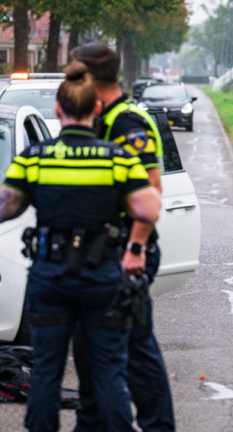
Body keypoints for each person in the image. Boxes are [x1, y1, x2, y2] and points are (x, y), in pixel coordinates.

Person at [0, 62, 162, 432]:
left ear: (58, 110)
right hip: (101, 276)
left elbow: (3, 209)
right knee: (107, 375)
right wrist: (134, 245)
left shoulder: (35, 158)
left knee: (46, 374)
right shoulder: (117, 159)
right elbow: (150, 207)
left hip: (50, 276)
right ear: (96, 110)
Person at [71, 43, 175, 432]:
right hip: (103, 251)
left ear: (89, 77)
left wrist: (135, 247)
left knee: (134, 352)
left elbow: (151, 190)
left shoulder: (127, 123)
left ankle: (157, 426)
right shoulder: (101, 118)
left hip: (126, 252)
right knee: (91, 348)